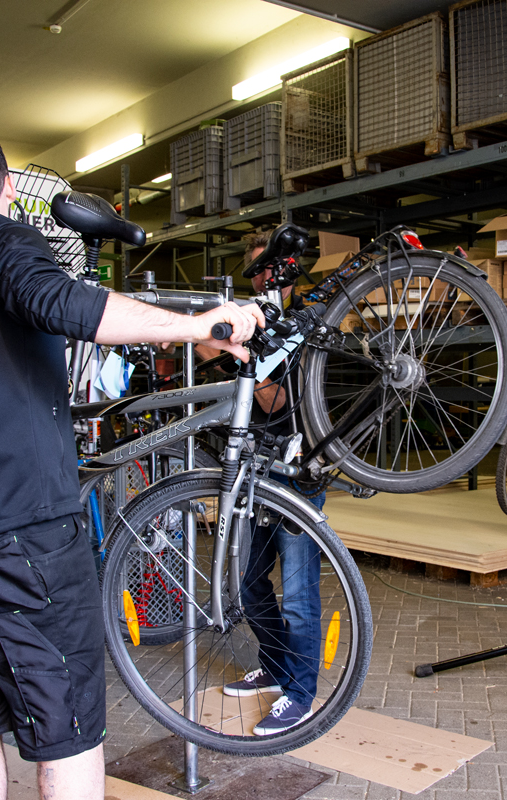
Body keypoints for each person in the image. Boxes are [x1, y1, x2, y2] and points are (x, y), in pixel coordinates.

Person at [0, 130, 263, 800]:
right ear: (10, 187)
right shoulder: (10, 243)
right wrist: (199, 326)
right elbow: (65, 305)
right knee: (69, 719)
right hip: (23, 534)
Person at [206, 231, 327, 736]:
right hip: (258, 473)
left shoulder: (304, 328)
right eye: (254, 271)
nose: (259, 279)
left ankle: (299, 693)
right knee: (250, 582)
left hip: (299, 473)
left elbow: (280, 405)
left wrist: (248, 368)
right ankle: (276, 668)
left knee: (299, 594)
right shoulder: (258, 323)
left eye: (266, 270)